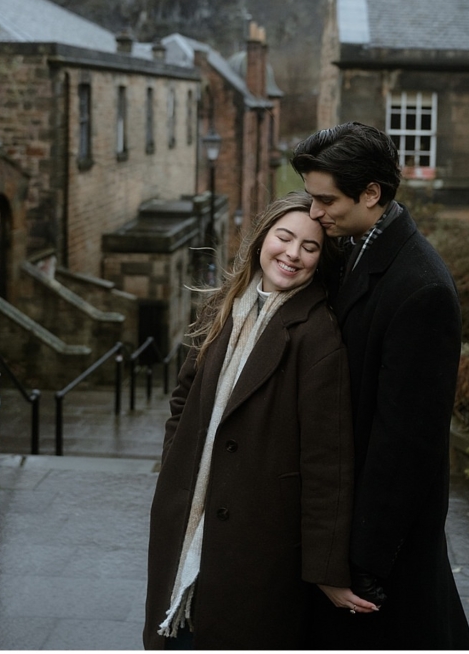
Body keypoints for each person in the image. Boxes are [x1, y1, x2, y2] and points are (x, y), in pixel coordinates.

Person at [144, 191, 372, 650]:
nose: (292, 254)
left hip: (258, 541)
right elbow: (183, 398)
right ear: (261, 238)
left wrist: (327, 570)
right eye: (284, 237)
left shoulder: (318, 335)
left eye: (309, 247)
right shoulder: (222, 307)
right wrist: (175, 466)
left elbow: (328, 460)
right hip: (187, 520)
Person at [292, 122, 469, 651]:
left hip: (379, 552)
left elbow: (407, 443)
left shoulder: (421, 290)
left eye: (325, 200)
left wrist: (361, 562)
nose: (314, 214)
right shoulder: (354, 247)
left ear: (372, 193)